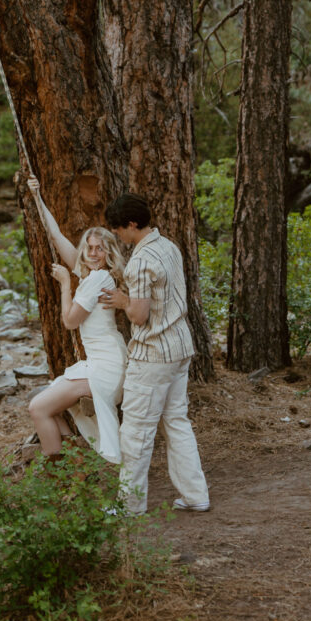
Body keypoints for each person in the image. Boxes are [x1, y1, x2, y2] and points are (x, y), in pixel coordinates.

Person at [102, 192, 210, 514]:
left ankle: (130, 506)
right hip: (179, 347)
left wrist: (122, 302)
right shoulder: (169, 247)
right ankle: (195, 495)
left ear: (132, 224)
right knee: (177, 421)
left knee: (136, 431)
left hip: (152, 355)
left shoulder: (141, 260)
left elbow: (138, 315)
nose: (118, 235)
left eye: (119, 229)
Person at [26, 177, 127, 464]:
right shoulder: (92, 274)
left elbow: (70, 321)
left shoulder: (97, 278)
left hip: (105, 366)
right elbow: (56, 235)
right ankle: (75, 466)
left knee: (39, 408)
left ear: (108, 253)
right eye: (89, 248)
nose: (92, 253)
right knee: (49, 408)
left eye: (99, 249)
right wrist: (37, 197)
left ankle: (60, 474)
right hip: (104, 360)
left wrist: (64, 285)